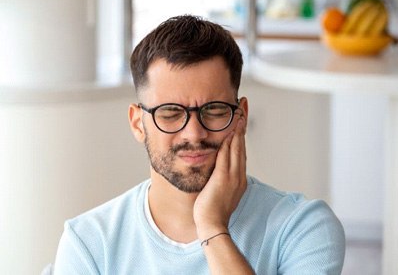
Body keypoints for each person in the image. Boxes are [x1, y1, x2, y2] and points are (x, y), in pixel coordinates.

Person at [54, 15, 345, 274]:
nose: (194, 134)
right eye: (170, 113)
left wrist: (212, 228)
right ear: (137, 124)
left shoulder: (303, 227)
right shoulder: (89, 243)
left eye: (215, 111)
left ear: (241, 116)